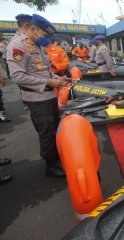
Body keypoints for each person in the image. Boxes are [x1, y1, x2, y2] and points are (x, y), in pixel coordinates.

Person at [6, 14, 66, 178]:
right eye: (45, 35)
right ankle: (51, 167)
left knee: (54, 129)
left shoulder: (35, 44)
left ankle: (56, 158)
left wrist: (56, 79)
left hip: (48, 95)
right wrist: (48, 81)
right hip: (37, 99)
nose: (46, 39)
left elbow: (43, 70)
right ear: (32, 29)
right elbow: (18, 76)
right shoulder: (18, 46)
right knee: (46, 132)